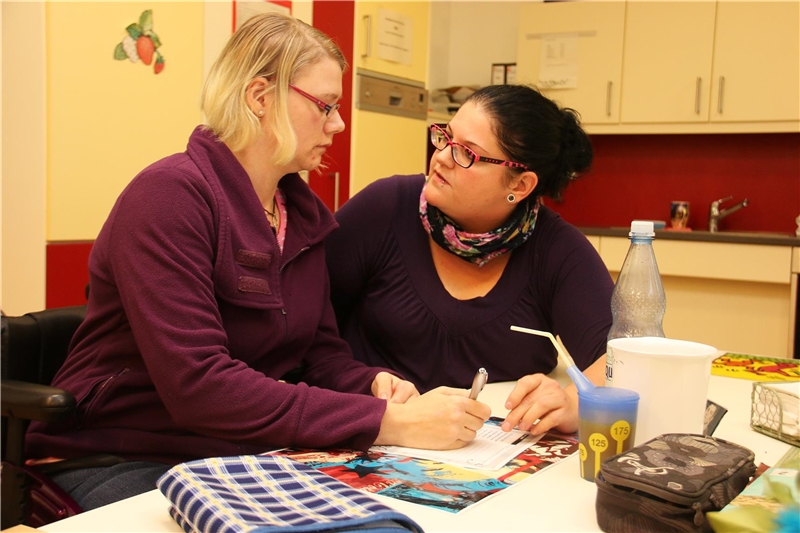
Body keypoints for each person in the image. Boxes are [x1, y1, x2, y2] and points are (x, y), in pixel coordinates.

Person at [26, 12, 489, 511]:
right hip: (118, 454)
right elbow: (199, 386)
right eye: (325, 106)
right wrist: (386, 422)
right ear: (260, 97)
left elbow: (320, 355)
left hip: (232, 453)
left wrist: (372, 385)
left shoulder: (304, 217)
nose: (338, 123)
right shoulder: (168, 197)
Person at [325, 84, 613, 439]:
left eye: (467, 153)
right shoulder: (384, 209)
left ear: (520, 185)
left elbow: (625, 360)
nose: (442, 156)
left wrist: (574, 402)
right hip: (369, 439)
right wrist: (361, 379)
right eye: (446, 138)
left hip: (492, 457)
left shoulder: (557, 250)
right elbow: (303, 326)